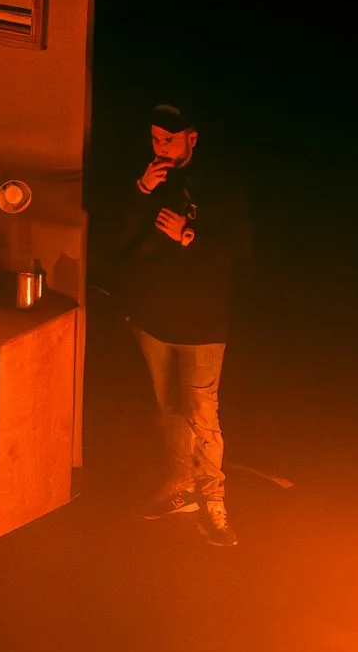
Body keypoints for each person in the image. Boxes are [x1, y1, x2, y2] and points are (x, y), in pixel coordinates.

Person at [99, 102, 252, 545]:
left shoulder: (219, 186)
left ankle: (215, 504)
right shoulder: (150, 181)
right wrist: (140, 192)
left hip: (202, 322)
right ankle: (180, 487)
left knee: (203, 415)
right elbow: (117, 238)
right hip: (152, 317)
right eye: (154, 139)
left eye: (168, 139)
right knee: (168, 411)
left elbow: (238, 248)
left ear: (192, 138)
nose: (160, 147)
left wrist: (188, 234)